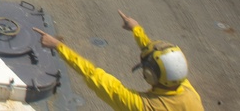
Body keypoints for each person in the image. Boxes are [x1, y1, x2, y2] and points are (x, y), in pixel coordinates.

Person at [33, 11, 203, 110]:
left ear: (150, 75)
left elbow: (94, 75)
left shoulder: (142, 106)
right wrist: (136, 30)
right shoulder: (187, 90)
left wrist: (58, 46)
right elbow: (160, 57)